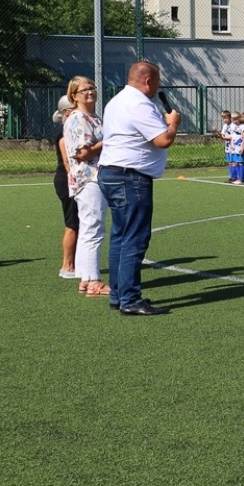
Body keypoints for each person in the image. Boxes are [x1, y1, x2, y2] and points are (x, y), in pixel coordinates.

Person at [96, 60, 180, 316]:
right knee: (135, 237)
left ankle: (118, 294)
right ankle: (130, 299)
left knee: (120, 235)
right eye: (157, 82)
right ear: (148, 81)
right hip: (130, 177)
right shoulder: (139, 104)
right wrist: (173, 123)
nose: (157, 87)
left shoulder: (117, 101)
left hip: (111, 172)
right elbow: (162, 140)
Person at [62, 79, 107, 297]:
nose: (90, 92)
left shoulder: (92, 117)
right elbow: (82, 152)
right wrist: (109, 141)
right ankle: (93, 281)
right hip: (88, 178)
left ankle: (85, 278)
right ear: (74, 96)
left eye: (92, 88)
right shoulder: (79, 118)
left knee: (89, 229)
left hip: (93, 177)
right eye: (84, 90)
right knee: (93, 230)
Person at [52, 94, 79, 280]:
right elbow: (69, 164)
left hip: (72, 180)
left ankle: (76, 264)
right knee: (72, 224)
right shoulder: (64, 136)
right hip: (68, 181)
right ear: (67, 112)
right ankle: (67, 266)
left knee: (79, 224)